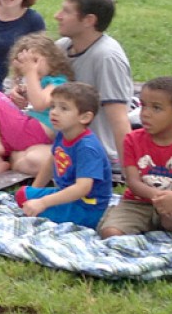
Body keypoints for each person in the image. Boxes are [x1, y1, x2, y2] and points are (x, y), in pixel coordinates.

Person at [98, 77, 172, 238]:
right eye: (143, 105)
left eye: (156, 108)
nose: (145, 113)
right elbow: (133, 182)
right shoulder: (132, 140)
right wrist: (158, 196)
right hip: (137, 203)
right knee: (110, 233)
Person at [15, 83, 113, 229]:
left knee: (34, 210)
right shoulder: (63, 134)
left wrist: (43, 202)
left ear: (85, 117)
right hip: (65, 195)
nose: (54, 112)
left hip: (86, 207)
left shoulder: (87, 148)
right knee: (23, 194)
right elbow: (51, 162)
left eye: (64, 108)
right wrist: (35, 192)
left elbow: (82, 188)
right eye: (53, 106)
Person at [0, 34, 72, 175]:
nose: (31, 67)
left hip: (39, 131)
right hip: (28, 131)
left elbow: (40, 104)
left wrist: (30, 72)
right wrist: (18, 96)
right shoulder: (36, 81)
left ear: (52, 60)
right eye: (27, 64)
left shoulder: (58, 82)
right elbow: (31, 101)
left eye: (35, 61)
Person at [53, 0, 132, 161]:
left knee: (29, 160)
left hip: (89, 147)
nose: (57, 16)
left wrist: (131, 175)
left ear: (89, 20)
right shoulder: (62, 46)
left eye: (66, 11)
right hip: (57, 131)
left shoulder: (107, 57)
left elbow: (119, 119)